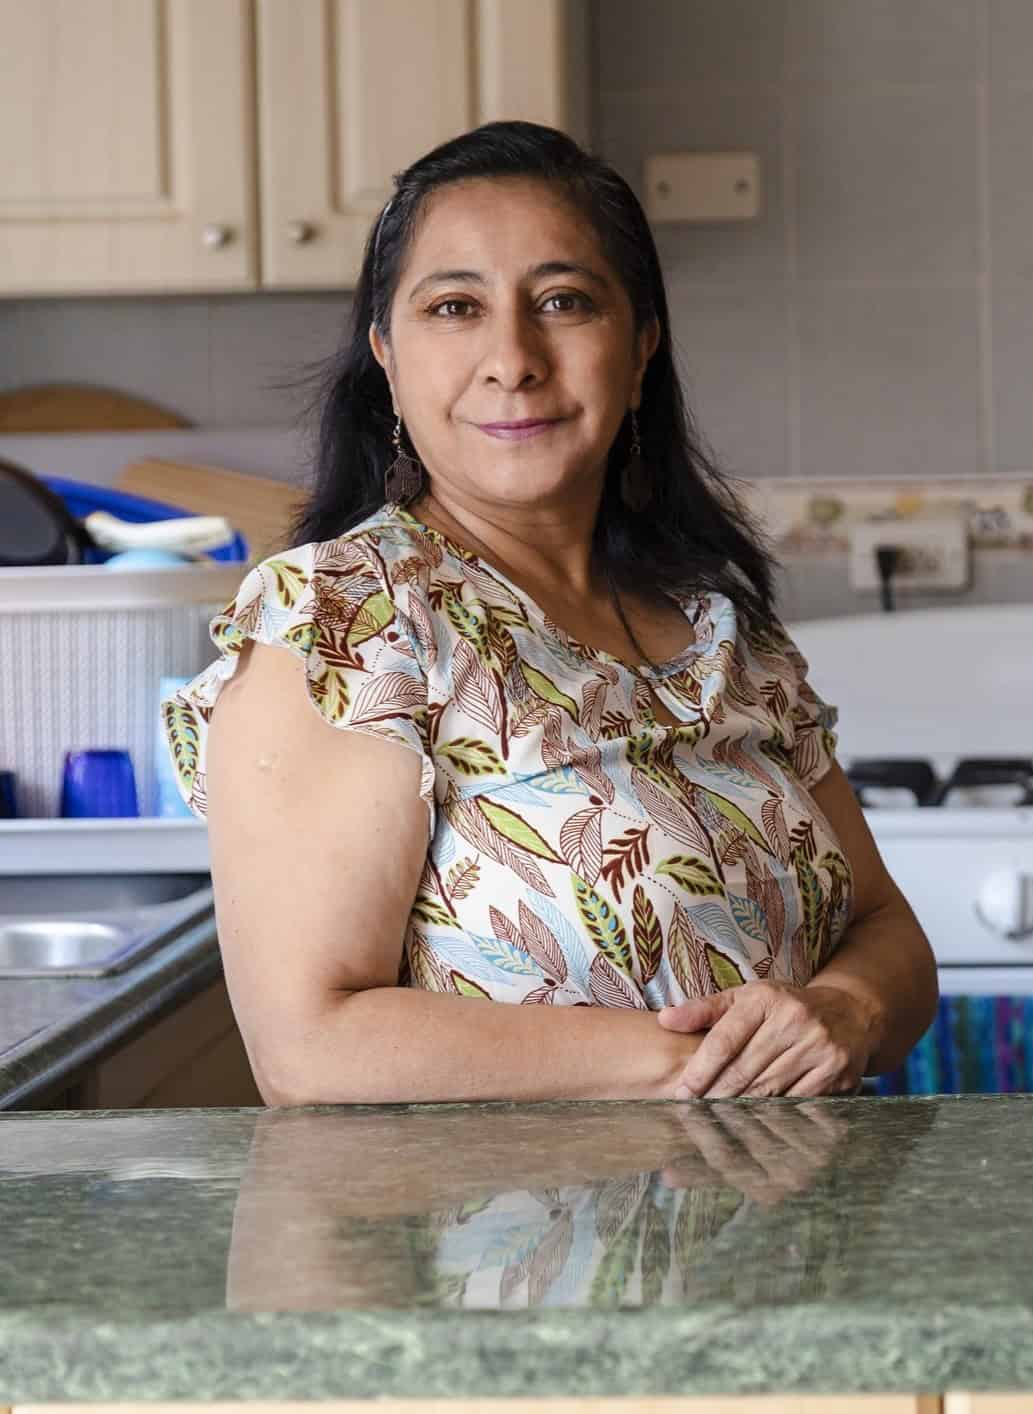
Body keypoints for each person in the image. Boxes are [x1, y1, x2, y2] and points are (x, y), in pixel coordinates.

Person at [160, 121, 938, 1107]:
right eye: (454, 307)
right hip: (521, 1250)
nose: (513, 357)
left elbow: (887, 930)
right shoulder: (347, 622)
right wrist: (709, 1065)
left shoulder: (721, 634)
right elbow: (312, 1047)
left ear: (642, 342)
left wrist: (847, 1010)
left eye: (563, 301)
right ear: (387, 357)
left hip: (805, 1247)